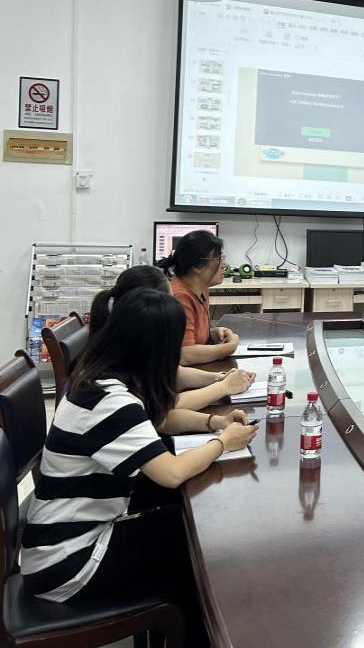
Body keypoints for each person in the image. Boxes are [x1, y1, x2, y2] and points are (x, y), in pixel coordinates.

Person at [21, 288, 257, 641]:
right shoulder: (110, 401)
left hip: (63, 542)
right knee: (202, 552)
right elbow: (171, 473)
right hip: (69, 563)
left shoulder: (100, 380)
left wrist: (214, 423)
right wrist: (224, 443)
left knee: (191, 524)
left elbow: (160, 420)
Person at [89, 265, 255, 409]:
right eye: (170, 299)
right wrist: (224, 387)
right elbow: (164, 407)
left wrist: (219, 378)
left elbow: (170, 372)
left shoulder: (124, 340)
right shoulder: (123, 363)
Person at [158, 230, 239, 364]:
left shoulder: (201, 288)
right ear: (196, 266)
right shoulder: (180, 297)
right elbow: (185, 354)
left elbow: (193, 337)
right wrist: (228, 348)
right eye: (218, 259)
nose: (224, 265)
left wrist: (214, 334)